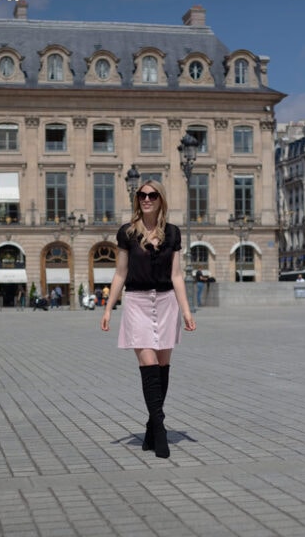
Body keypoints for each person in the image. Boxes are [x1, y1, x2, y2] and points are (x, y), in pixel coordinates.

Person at [101, 180, 196, 459]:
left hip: (167, 303)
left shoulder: (173, 234)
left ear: (160, 200)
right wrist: (108, 309)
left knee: (163, 366)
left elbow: (177, 275)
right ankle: (161, 430)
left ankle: (151, 425)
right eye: (141, 195)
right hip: (137, 303)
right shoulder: (128, 233)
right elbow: (120, 273)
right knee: (149, 363)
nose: (146, 199)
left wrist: (187, 311)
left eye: (152, 195)